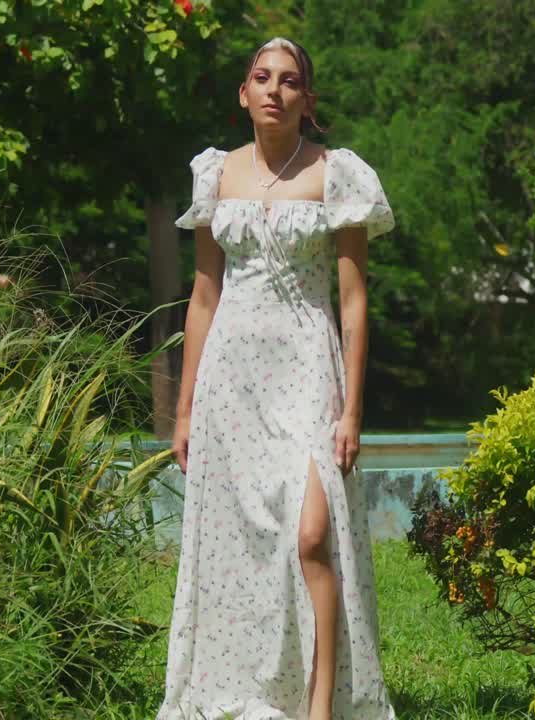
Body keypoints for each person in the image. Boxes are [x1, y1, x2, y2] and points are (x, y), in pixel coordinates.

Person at [157, 36, 398, 720]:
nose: (274, 89)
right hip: (231, 379)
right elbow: (203, 298)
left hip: (308, 369)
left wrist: (351, 409)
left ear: (307, 100)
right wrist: (185, 409)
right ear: (243, 93)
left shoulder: (336, 173)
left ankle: (320, 707)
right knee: (245, 544)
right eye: (261, 78)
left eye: (289, 81)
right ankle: (257, 686)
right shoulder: (216, 174)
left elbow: (353, 301)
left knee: (311, 534)